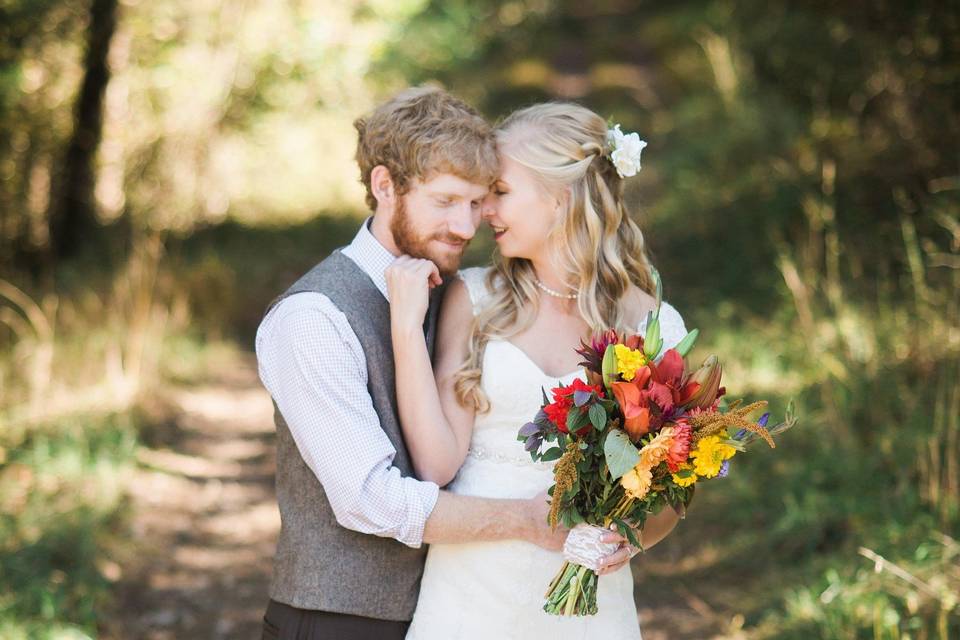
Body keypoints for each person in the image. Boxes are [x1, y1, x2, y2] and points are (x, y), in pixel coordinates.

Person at [255, 88, 626, 640]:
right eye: (447, 201)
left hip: (447, 611)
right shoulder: (313, 318)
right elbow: (372, 501)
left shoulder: (454, 290)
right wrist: (529, 519)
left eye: (479, 202)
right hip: (341, 621)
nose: (467, 225)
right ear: (385, 186)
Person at [387, 102, 689, 639]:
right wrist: (407, 331)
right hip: (470, 597)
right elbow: (435, 466)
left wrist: (630, 537)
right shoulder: (475, 299)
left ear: (561, 198)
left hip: (591, 610)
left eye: (500, 193)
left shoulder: (654, 324)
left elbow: (673, 488)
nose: (484, 213)